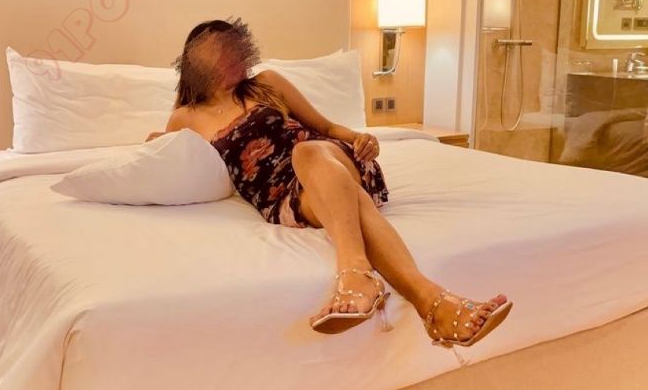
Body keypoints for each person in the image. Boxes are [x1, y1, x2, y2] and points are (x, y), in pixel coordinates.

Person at [147, 18, 512, 346]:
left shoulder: (267, 84)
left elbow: (325, 127)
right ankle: (435, 306)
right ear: (198, 63)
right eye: (223, 51)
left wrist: (361, 138)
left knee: (308, 153)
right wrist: (154, 143)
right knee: (348, 200)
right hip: (283, 198)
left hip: (327, 156)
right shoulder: (185, 118)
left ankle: (355, 274)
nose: (236, 57)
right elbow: (172, 158)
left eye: (238, 49)